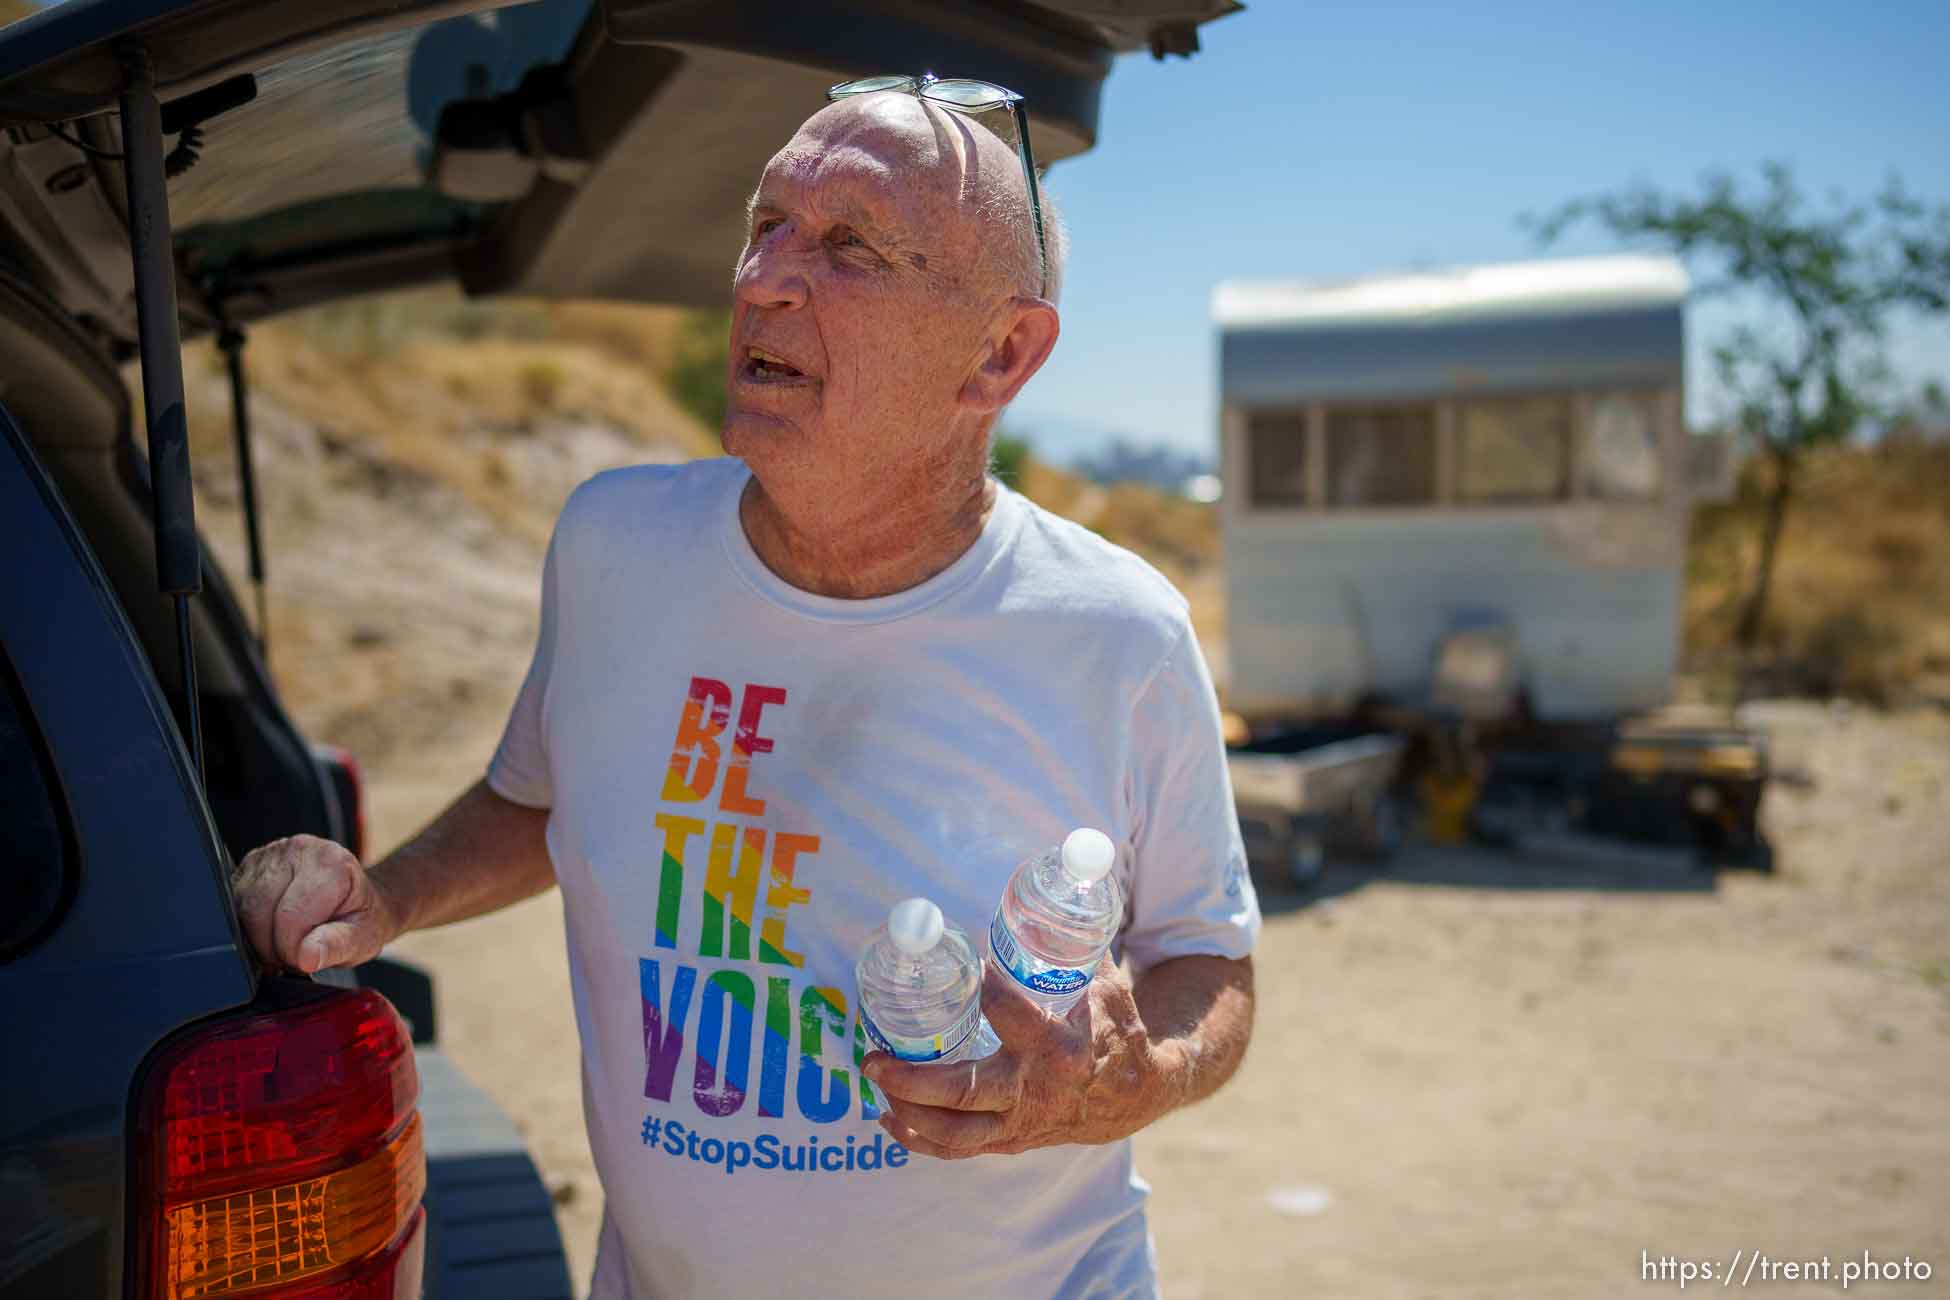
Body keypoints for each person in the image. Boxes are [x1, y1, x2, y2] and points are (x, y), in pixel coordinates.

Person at [232, 84, 1258, 1300]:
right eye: (765, 223)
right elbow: (543, 799)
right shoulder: (614, 547)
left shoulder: (1117, 629)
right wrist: (385, 896)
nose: (764, 276)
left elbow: (1207, 958)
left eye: (849, 245)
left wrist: (1141, 1076)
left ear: (1002, 353)